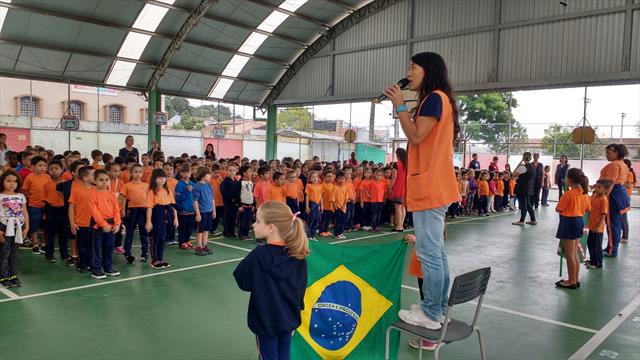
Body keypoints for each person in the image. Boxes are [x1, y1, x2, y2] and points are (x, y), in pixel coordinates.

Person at [384, 51, 460, 330]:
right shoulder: (439, 99)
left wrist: (401, 106)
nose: (409, 72)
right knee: (436, 253)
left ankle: (430, 313)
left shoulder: (434, 98)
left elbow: (415, 136)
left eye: (413, 67)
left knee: (429, 254)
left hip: (431, 187)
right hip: (435, 185)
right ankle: (437, 309)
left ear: (428, 70)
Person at [233, 201, 308, 360]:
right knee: (283, 355)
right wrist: (295, 315)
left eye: (258, 221)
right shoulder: (298, 256)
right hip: (288, 319)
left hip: (265, 320)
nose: (254, 224)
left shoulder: (258, 255)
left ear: (271, 227)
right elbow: (300, 290)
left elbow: (242, 281)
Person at [555, 168, 590, 289]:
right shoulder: (584, 194)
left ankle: (571, 281)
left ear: (569, 179)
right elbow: (587, 208)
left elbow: (558, 209)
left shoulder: (569, 194)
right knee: (574, 253)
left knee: (570, 254)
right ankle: (575, 278)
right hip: (579, 221)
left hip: (569, 223)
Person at [88, 170, 122, 279]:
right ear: (95, 180)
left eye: (106, 180)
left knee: (109, 247)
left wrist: (117, 223)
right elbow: (94, 211)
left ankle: (107, 267)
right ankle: (96, 269)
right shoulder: (92, 194)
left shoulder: (111, 194)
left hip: (111, 224)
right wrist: (103, 224)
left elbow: (116, 210)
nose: (104, 182)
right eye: (101, 180)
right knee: (97, 248)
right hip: (98, 225)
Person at [600, 144, 631, 258]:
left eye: (608, 153)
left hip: (613, 195)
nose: (606, 155)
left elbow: (610, 183)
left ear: (616, 153)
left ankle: (611, 250)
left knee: (611, 225)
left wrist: (603, 197)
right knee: (615, 224)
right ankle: (611, 247)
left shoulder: (614, 165)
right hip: (620, 193)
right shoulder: (623, 164)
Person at [0, 170, 29, 288]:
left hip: (18, 227)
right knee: (4, 253)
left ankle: (13, 275)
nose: (12, 184)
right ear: (2, 182)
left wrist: (27, 227)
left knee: (14, 252)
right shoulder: (0, 196)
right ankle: (3, 276)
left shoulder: (20, 196)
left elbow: (25, 212)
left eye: (15, 181)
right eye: (8, 181)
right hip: (4, 226)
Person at [145, 169, 178, 269]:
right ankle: (154, 260)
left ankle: (161, 258)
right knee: (156, 238)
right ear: (154, 179)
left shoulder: (167, 190)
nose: (162, 180)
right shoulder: (152, 192)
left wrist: (175, 219)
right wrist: (148, 222)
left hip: (166, 216)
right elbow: (149, 208)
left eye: (164, 177)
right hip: (157, 215)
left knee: (163, 238)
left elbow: (172, 206)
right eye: (159, 178)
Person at [119, 164, 150, 264]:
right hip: (132, 210)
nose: (138, 174)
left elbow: (149, 198)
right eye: (135, 172)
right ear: (131, 173)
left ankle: (144, 253)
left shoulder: (145, 185)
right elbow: (123, 198)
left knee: (143, 232)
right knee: (130, 232)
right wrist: (123, 210)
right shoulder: (127, 185)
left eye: (140, 172)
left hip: (143, 210)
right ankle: (127, 253)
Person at [68, 166, 95, 273]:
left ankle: (92, 263)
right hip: (80, 224)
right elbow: (71, 207)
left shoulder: (96, 189)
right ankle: (82, 263)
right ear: (85, 178)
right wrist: (72, 223)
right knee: (81, 246)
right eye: (93, 174)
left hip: (94, 224)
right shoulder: (76, 190)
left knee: (92, 245)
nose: (95, 176)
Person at [22, 156, 51, 254]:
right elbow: (25, 190)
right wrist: (29, 198)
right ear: (33, 166)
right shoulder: (29, 177)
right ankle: (35, 244)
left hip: (45, 205)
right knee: (34, 225)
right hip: (34, 206)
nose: (42, 168)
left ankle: (43, 243)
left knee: (44, 226)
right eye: (40, 165)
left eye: (44, 165)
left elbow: (50, 190)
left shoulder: (47, 177)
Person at [43, 160, 69, 263]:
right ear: (48, 171)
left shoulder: (66, 184)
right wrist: (45, 213)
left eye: (56, 169)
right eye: (51, 169)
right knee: (50, 234)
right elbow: (44, 199)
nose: (54, 171)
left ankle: (64, 254)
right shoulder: (46, 184)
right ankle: (49, 254)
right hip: (50, 209)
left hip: (63, 210)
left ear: (62, 170)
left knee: (63, 234)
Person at [586, 179, 610, 269]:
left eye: (599, 187)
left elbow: (603, 214)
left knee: (596, 246)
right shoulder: (594, 196)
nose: (596, 189)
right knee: (590, 244)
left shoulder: (603, 200)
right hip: (591, 226)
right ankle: (592, 260)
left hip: (597, 228)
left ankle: (598, 263)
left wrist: (598, 226)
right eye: (596, 186)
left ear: (605, 190)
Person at [193, 167, 215, 256]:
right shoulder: (197, 187)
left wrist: (214, 210)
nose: (210, 176)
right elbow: (195, 201)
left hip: (209, 211)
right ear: (203, 175)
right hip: (202, 212)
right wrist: (198, 214)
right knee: (200, 230)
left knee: (206, 229)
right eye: (209, 174)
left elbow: (212, 199)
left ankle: (205, 245)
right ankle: (199, 246)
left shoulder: (209, 185)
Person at [174, 163, 196, 250]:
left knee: (189, 228)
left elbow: (195, 197)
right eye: (184, 172)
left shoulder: (192, 183)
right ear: (181, 173)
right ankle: (182, 242)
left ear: (191, 173)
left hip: (191, 210)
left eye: (188, 172)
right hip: (183, 211)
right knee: (182, 228)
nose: (186, 174)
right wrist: (187, 191)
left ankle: (187, 240)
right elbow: (178, 198)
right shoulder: (180, 184)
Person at [512, 152, 536, 226]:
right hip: (529, 187)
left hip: (523, 187)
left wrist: (520, 163)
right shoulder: (532, 166)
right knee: (528, 204)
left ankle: (522, 221)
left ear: (523, 158)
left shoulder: (524, 167)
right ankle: (533, 220)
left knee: (524, 204)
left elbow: (513, 174)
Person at [390, 148, 407, 232]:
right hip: (405, 188)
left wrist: (390, 187)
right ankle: (401, 225)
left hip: (398, 188)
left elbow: (394, 177)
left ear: (398, 155)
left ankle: (399, 226)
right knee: (403, 207)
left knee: (398, 207)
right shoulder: (407, 164)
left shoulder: (396, 164)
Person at [221, 164, 240, 238]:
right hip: (228, 203)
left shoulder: (235, 181)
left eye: (233, 171)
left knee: (233, 218)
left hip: (235, 203)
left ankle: (232, 231)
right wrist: (231, 199)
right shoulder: (225, 182)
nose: (232, 172)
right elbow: (224, 192)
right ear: (226, 171)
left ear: (236, 171)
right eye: (230, 171)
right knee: (227, 217)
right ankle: (227, 232)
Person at [238, 165, 255, 241]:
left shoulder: (250, 182)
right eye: (249, 171)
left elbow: (251, 193)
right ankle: (241, 234)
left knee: (248, 221)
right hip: (243, 205)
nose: (251, 173)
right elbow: (237, 194)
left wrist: (253, 204)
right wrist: (239, 205)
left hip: (250, 205)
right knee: (242, 221)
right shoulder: (240, 182)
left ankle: (246, 234)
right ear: (244, 173)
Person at [305, 171, 322, 241]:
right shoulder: (308, 185)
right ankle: (308, 235)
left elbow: (320, 196)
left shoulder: (319, 185)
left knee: (317, 220)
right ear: (310, 179)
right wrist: (307, 206)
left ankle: (312, 234)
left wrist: (321, 205)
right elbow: (307, 196)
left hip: (318, 204)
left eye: (316, 177)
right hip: (312, 204)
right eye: (313, 177)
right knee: (311, 220)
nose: (315, 178)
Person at [621, 159, 635, 243]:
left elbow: (629, 184)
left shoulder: (628, 173)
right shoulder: (625, 173)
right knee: (622, 217)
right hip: (623, 196)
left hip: (625, 197)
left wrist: (619, 183)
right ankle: (624, 236)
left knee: (623, 217)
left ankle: (625, 237)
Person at [319, 171, 335, 237]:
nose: (329, 178)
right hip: (324, 206)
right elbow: (320, 196)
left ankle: (326, 230)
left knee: (328, 219)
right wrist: (320, 205)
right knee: (323, 219)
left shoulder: (333, 185)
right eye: (328, 176)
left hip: (330, 206)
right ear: (324, 177)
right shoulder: (322, 185)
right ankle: (321, 231)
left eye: (331, 176)